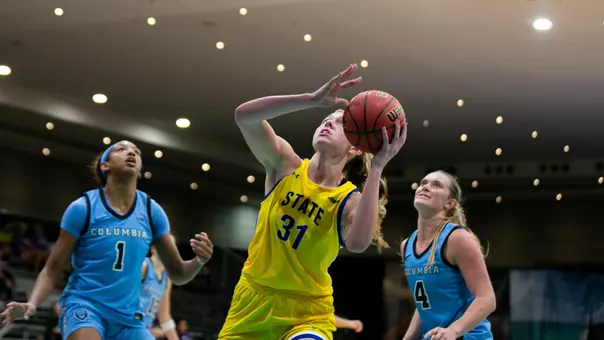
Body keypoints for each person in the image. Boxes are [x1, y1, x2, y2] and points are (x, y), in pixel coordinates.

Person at [218, 63, 407, 340]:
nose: (327, 122)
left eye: (339, 122)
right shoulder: (285, 165)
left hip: (307, 311)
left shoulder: (348, 199)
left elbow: (357, 244)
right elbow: (243, 116)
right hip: (251, 301)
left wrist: (377, 166)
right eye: (325, 119)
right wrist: (310, 99)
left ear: (355, 146)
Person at [0, 140, 214, 340]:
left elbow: (177, 273)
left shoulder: (151, 212)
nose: (131, 153)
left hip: (129, 317)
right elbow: (52, 268)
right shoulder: (83, 208)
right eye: (121, 149)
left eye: (136, 152)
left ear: (139, 171)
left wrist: (199, 261)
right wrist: (32, 303)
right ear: (105, 165)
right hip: (85, 306)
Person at [401, 171, 496, 340]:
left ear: (450, 203)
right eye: (423, 183)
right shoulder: (406, 245)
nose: (426, 187)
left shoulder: (458, 238)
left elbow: (487, 299)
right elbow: (425, 304)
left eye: (436, 185)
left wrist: (454, 330)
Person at [140, 236, 178, 340]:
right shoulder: (144, 267)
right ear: (153, 248)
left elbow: (164, 317)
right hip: (129, 327)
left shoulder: (167, 277)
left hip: (144, 331)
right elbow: (122, 301)